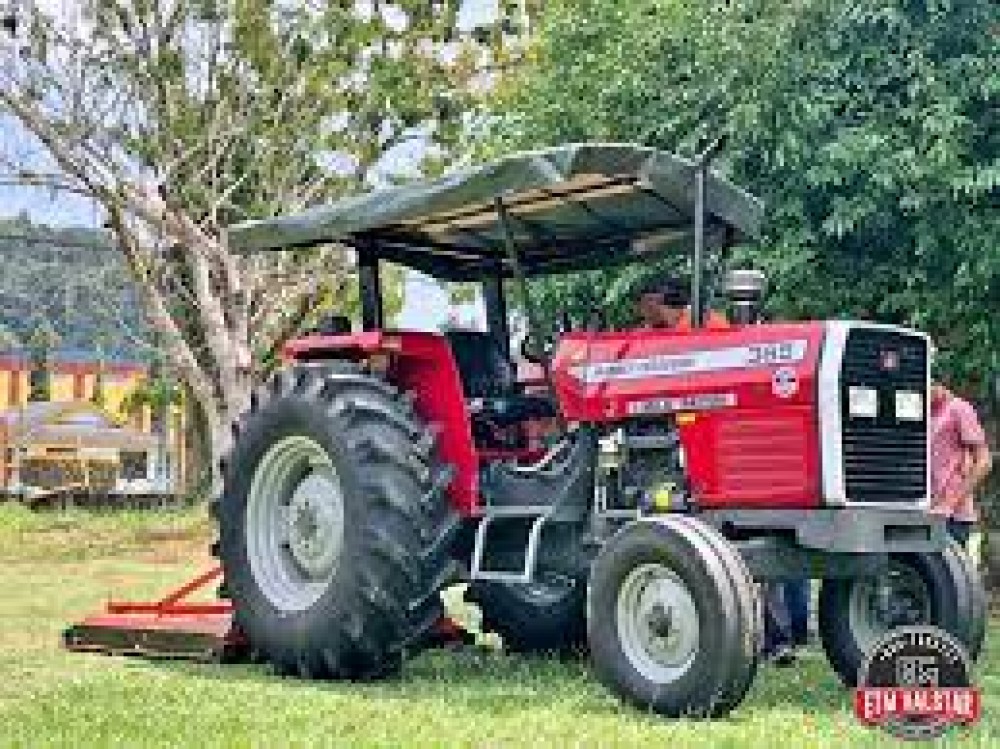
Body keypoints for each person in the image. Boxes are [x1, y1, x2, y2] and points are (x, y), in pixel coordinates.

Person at [930, 375, 992, 549]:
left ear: (938, 383)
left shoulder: (959, 409)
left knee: (950, 574)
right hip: (924, 512)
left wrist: (950, 502)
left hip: (952, 518)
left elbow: (984, 462)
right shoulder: (921, 412)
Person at [635, 276, 730, 330]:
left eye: (642, 305)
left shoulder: (707, 322)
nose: (640, 312)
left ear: (652, 303)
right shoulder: (647, 331)